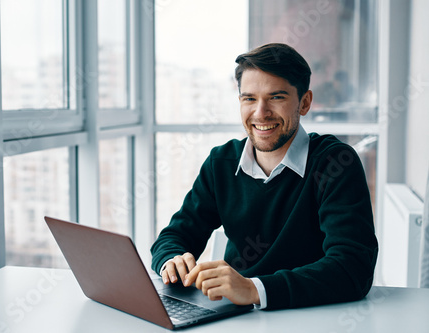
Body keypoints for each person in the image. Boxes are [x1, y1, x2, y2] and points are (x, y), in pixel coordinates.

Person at [150, 43, 378, 310]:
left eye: (276, 97)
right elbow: (174, 236)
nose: (260, 113)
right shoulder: (220, 163)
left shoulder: (335, 163)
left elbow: (352, 269)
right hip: (235, 317)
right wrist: (172, 260)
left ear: (304, 103)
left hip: (314, 317)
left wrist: (254, 289)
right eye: (249, 98)